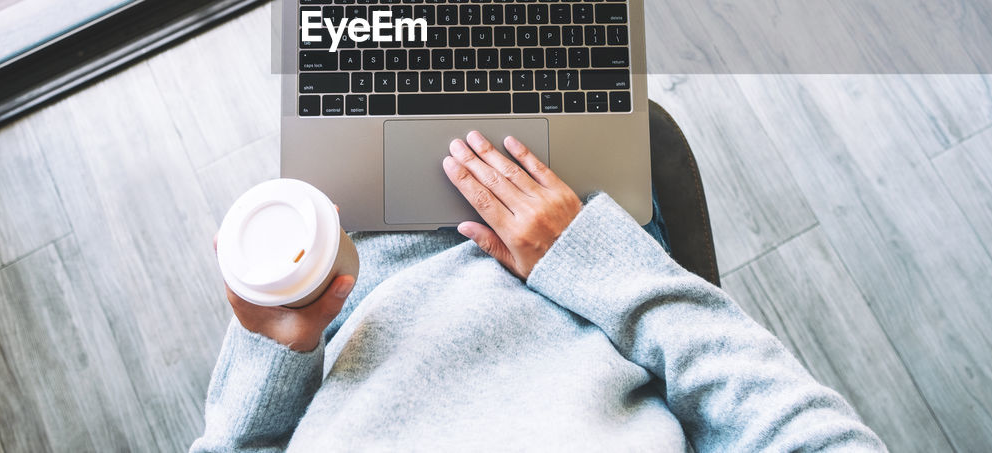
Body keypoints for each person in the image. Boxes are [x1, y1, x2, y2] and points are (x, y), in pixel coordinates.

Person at [191, 128, 885, 452]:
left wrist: (276, 346)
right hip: (576, 257)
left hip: (360, 266)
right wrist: (581, 256)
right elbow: (809, 434)